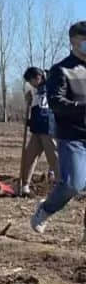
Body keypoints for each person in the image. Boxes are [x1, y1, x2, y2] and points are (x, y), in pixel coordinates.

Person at [31, 21, 86, 240]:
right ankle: (45, 209)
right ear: (74, 42)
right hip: (73, 136)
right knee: (73, 184)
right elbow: (55, 102)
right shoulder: (61, 70)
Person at [19, 66, 59, 197]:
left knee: (54, 159)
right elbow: (37, 112)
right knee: (29, 157)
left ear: (38, 77)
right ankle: (24, 186)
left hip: (48, 129)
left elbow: (46, 112)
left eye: (31, 81)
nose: (30, 84)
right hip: (37, 130)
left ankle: (62, 187)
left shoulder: (51, 87)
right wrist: (29, 104)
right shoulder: (37, 91)